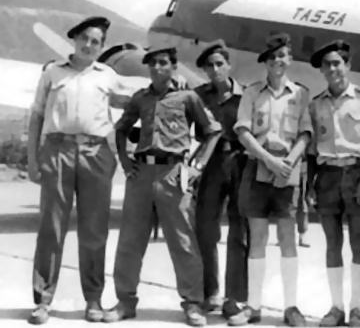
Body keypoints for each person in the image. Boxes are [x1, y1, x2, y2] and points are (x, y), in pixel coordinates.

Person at [104, 47, 222, 327]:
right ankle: (125, 301)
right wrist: (124, 160)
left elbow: (212, 131)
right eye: (152, 64)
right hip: (141, 172)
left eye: (163, 63)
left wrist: (197, 166)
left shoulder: (187, 97)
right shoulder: (140, 99)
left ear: (173, 67)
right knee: (131, 240)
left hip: (174, 173)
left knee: (182, 241)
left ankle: (193, 304)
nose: (157, 68)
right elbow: (121, 128)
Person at [26, 16, 130, 324]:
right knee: (50, 228)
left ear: (102, 47)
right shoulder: (52, 73)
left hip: (96, 154)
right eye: (84, 38)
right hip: (57, 150)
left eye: (96, 41)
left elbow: (133, 102)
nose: (89, 45)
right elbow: (36, 118)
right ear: (74, 39)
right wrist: (32, 160)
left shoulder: (108, 75)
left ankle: (94, 300)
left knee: (94, 230)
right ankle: (43, 299)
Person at [228, 33, 312, 327]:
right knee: (258, 239)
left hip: (288, 171)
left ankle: (291, 307)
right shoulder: (252, 93)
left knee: (288, 239)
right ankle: (253, 306)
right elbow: (243, 132)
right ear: (266, 62)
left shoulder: (301, 94)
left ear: (290, 60)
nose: (278, 61)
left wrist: (289, 162)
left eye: (283, 56)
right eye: (273, 56)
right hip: (259, 168)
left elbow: (305, 133)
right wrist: (269, 160)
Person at [304, 40, 360, 327]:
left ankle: (357, 309)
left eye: (338, 63)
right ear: (322, 70)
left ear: (347, 66)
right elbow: (312, 149)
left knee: (358, 242)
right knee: (332, 243)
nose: (333, 68)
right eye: (327, 64)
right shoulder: (316, 104)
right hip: (327, 176)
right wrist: (310, 184)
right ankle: (336, 308)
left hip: (356, 173)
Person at [193, 41, 248, 318]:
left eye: (219, 64)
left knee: (239, 230)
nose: (214, 69)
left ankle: (234, 298)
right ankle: (209, 292)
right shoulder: (198, 96)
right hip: (210, 165)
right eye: (209, 66)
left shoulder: (247, 96)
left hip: (240, 162)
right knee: (205, 228)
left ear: (228, 65)